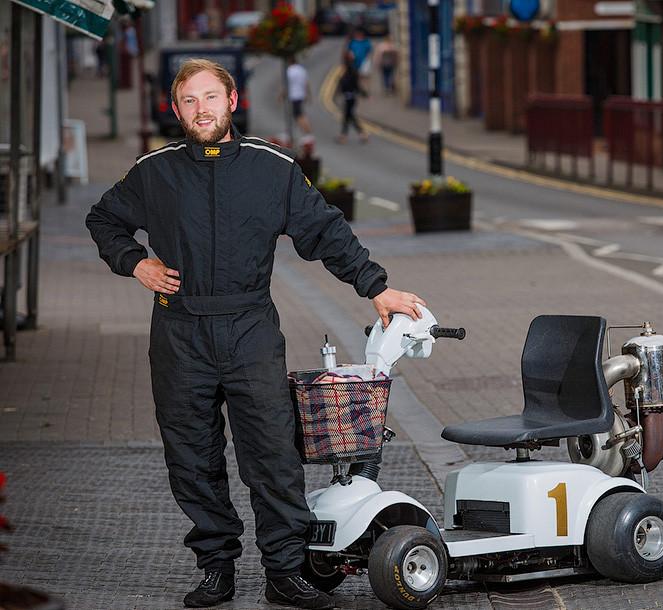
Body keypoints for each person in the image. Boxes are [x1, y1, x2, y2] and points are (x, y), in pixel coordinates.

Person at [85, 59, 425, 609]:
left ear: (232, 102)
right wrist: (135, 264)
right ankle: (216, 568)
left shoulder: (272, 168)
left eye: (210, 98)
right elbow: (103, 218)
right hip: (179, 330)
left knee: (271, 455)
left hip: (250, 330)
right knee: (192, 456)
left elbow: (324, 229)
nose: (201, 109)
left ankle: (285, 572)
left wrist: (376, 288)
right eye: (189, 101)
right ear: (175, 110)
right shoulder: (155, 172)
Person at [335, 52, 367, 144]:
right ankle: (361, 134)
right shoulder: (349, 70)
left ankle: (344, 136)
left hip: (351, 96)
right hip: (349, 96)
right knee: (350, 116)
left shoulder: (351, 70)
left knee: (347, 116)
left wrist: (364, 93)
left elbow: (355, 84)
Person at [285, 56, 312, 136]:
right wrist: (308, 94)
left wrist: (281, 95)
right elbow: (306, 83)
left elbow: (287, 84)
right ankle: (305, 131)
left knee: (298, 115)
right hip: (301, 95)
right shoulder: (301, 70)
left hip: (294, 95)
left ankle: (308, 131)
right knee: (299, 114)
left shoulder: (289, 71)